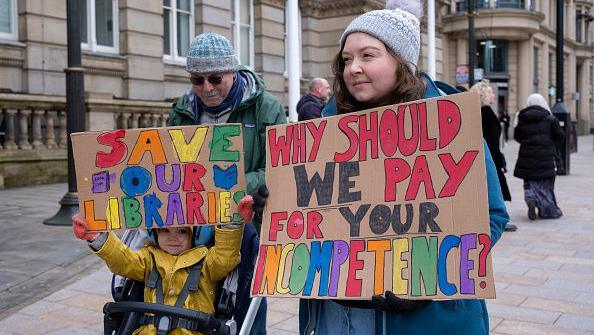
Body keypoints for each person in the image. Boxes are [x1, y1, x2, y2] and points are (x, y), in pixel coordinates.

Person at [297, 1, 510, 334]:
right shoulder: (322, 133)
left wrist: (431, 277)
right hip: (341, 318)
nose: (353, 68)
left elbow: (492, 215)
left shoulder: (449, 127)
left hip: (425, 319)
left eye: (368, 56)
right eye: (347, 59)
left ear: (401, 62)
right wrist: (279, 202)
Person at [71, 195, 254, 335]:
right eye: (165, 230)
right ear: (154, 233)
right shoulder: (148, 259)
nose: (173, 237)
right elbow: (122, 260)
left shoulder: (206, 262)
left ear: (196, 236)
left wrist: (232, 222)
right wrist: (98, 237)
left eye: (182, 231)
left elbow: (225, 257)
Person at [470, 80, 516, 232]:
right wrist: (499, 160)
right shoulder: (487, 113)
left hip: (483, 156)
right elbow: (491, 141)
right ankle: (497, 221)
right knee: (494, 190)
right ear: (483, 95)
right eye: (490, 92)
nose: (493, 95)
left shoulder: (475, 112)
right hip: (490, 157)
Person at [514, 93, 564, 220]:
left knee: (529, 181)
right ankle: (546, 210)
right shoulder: (550, 118)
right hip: (545, 157)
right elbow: (560, 137)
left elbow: (517, 136)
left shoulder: (522, 117)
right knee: (545, 184)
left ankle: (531, 199)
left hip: (527, 157)